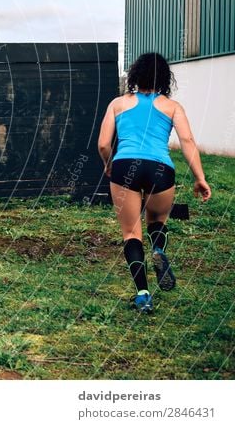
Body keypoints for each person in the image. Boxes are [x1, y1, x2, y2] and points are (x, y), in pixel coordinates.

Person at [98, 52, 211, 314]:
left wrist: (109, 163)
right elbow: (188, 142)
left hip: (126, 166)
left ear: (135, 75)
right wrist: (200, 178)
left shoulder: (118, 103)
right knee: (157, 221)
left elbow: (104, 144)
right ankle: (158, 247)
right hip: (160, 169)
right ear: (164, 78)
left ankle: (143, 295)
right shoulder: (173, 107)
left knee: (130, 233)